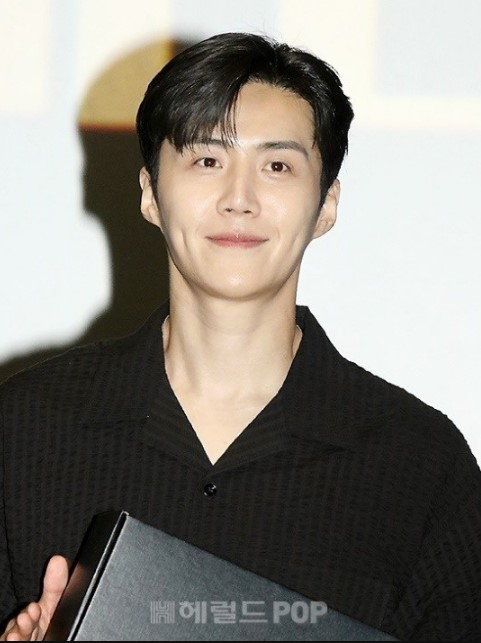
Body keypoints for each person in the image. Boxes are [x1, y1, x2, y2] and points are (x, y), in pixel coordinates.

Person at [1, 32, 480, 642]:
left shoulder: (421, 464)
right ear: (150, 193)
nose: (239, 199)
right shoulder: (24, 427)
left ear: (327, 204)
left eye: (277, 166)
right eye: (207, 161)